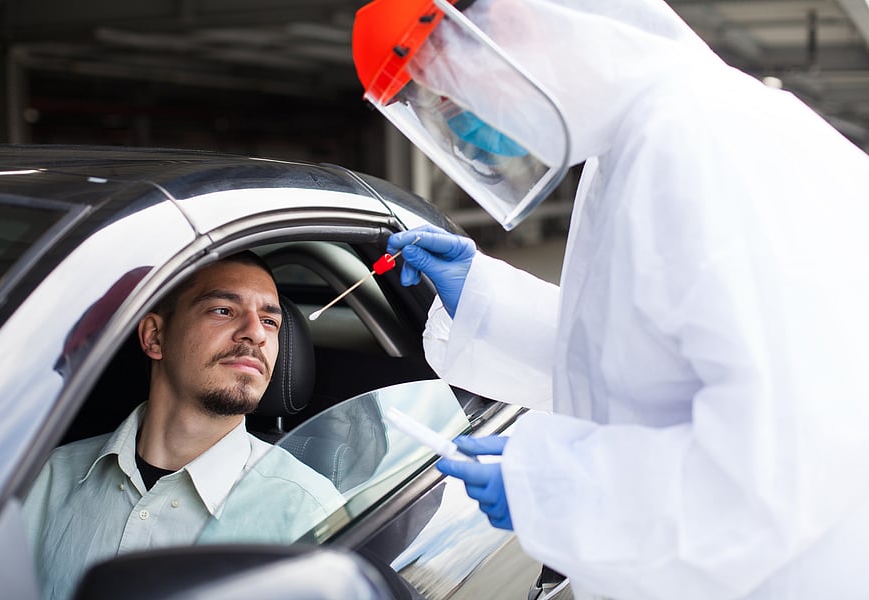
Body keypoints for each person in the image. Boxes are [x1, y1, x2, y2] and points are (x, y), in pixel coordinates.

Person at [351, 0, 869, 598]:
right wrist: (485, 299)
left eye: (446, 97)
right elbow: (642, 364)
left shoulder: (701, 142)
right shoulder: (637, 144)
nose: (461, 130)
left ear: (514, 22)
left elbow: (787, 457)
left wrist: (555, 487)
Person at [22, 252, 343, 600]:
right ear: (155, 337)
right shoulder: (46, 478)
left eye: (269, 321)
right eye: (223, 310)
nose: (255, 333)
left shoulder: (308, 511)